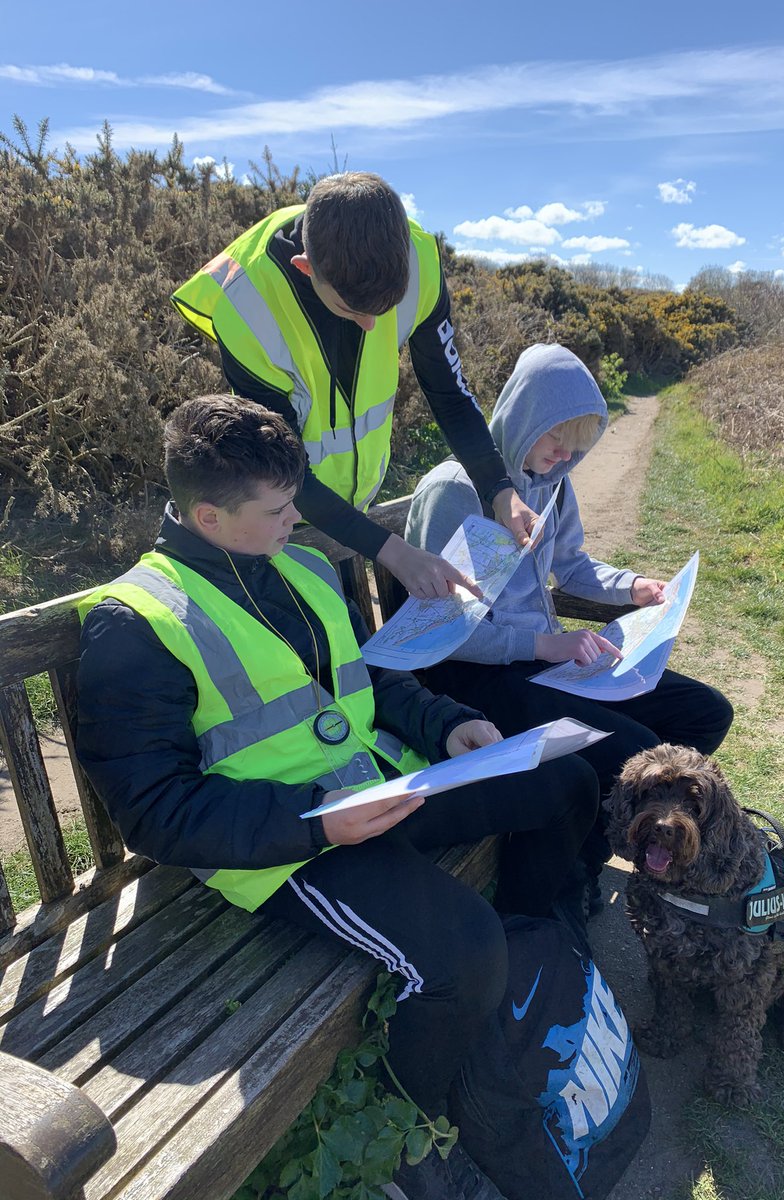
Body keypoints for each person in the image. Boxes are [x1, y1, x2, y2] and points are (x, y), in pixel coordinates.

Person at [76, 394, 599, 1200]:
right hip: (281, 851)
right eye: (281, 508)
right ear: (208, 516)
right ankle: (404, 1132)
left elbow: (375, 678)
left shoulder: (304, 567)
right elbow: (155, 814)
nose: (299, 520)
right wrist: (318, 827)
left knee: (562, 778)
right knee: (462, 954)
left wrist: (448, 722)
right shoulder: (135, 624)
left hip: (381, 786)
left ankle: (540, 959)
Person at [405, 343, 734, 876]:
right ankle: (585, 862)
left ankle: (608, 840)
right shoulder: (454, 492)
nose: (564, 456)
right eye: (556, 437)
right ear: (521, 414)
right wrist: (544, 644)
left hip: (546, 664)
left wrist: (632, 588)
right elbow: (444, 632)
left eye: (577, 447)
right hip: (472, 674)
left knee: (705, 711)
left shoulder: (552, 485)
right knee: (638, 750)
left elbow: (572, 565)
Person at [172, 171, 537, 601]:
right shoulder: (246, 302)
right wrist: (396, 554)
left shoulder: (419, 258)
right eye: (353, 309)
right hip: (282, 522)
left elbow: (450, 396)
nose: (371, 326)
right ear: (306, 268)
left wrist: (500, 489)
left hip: (357, 509)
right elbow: (284, 472)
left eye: (387, 308)